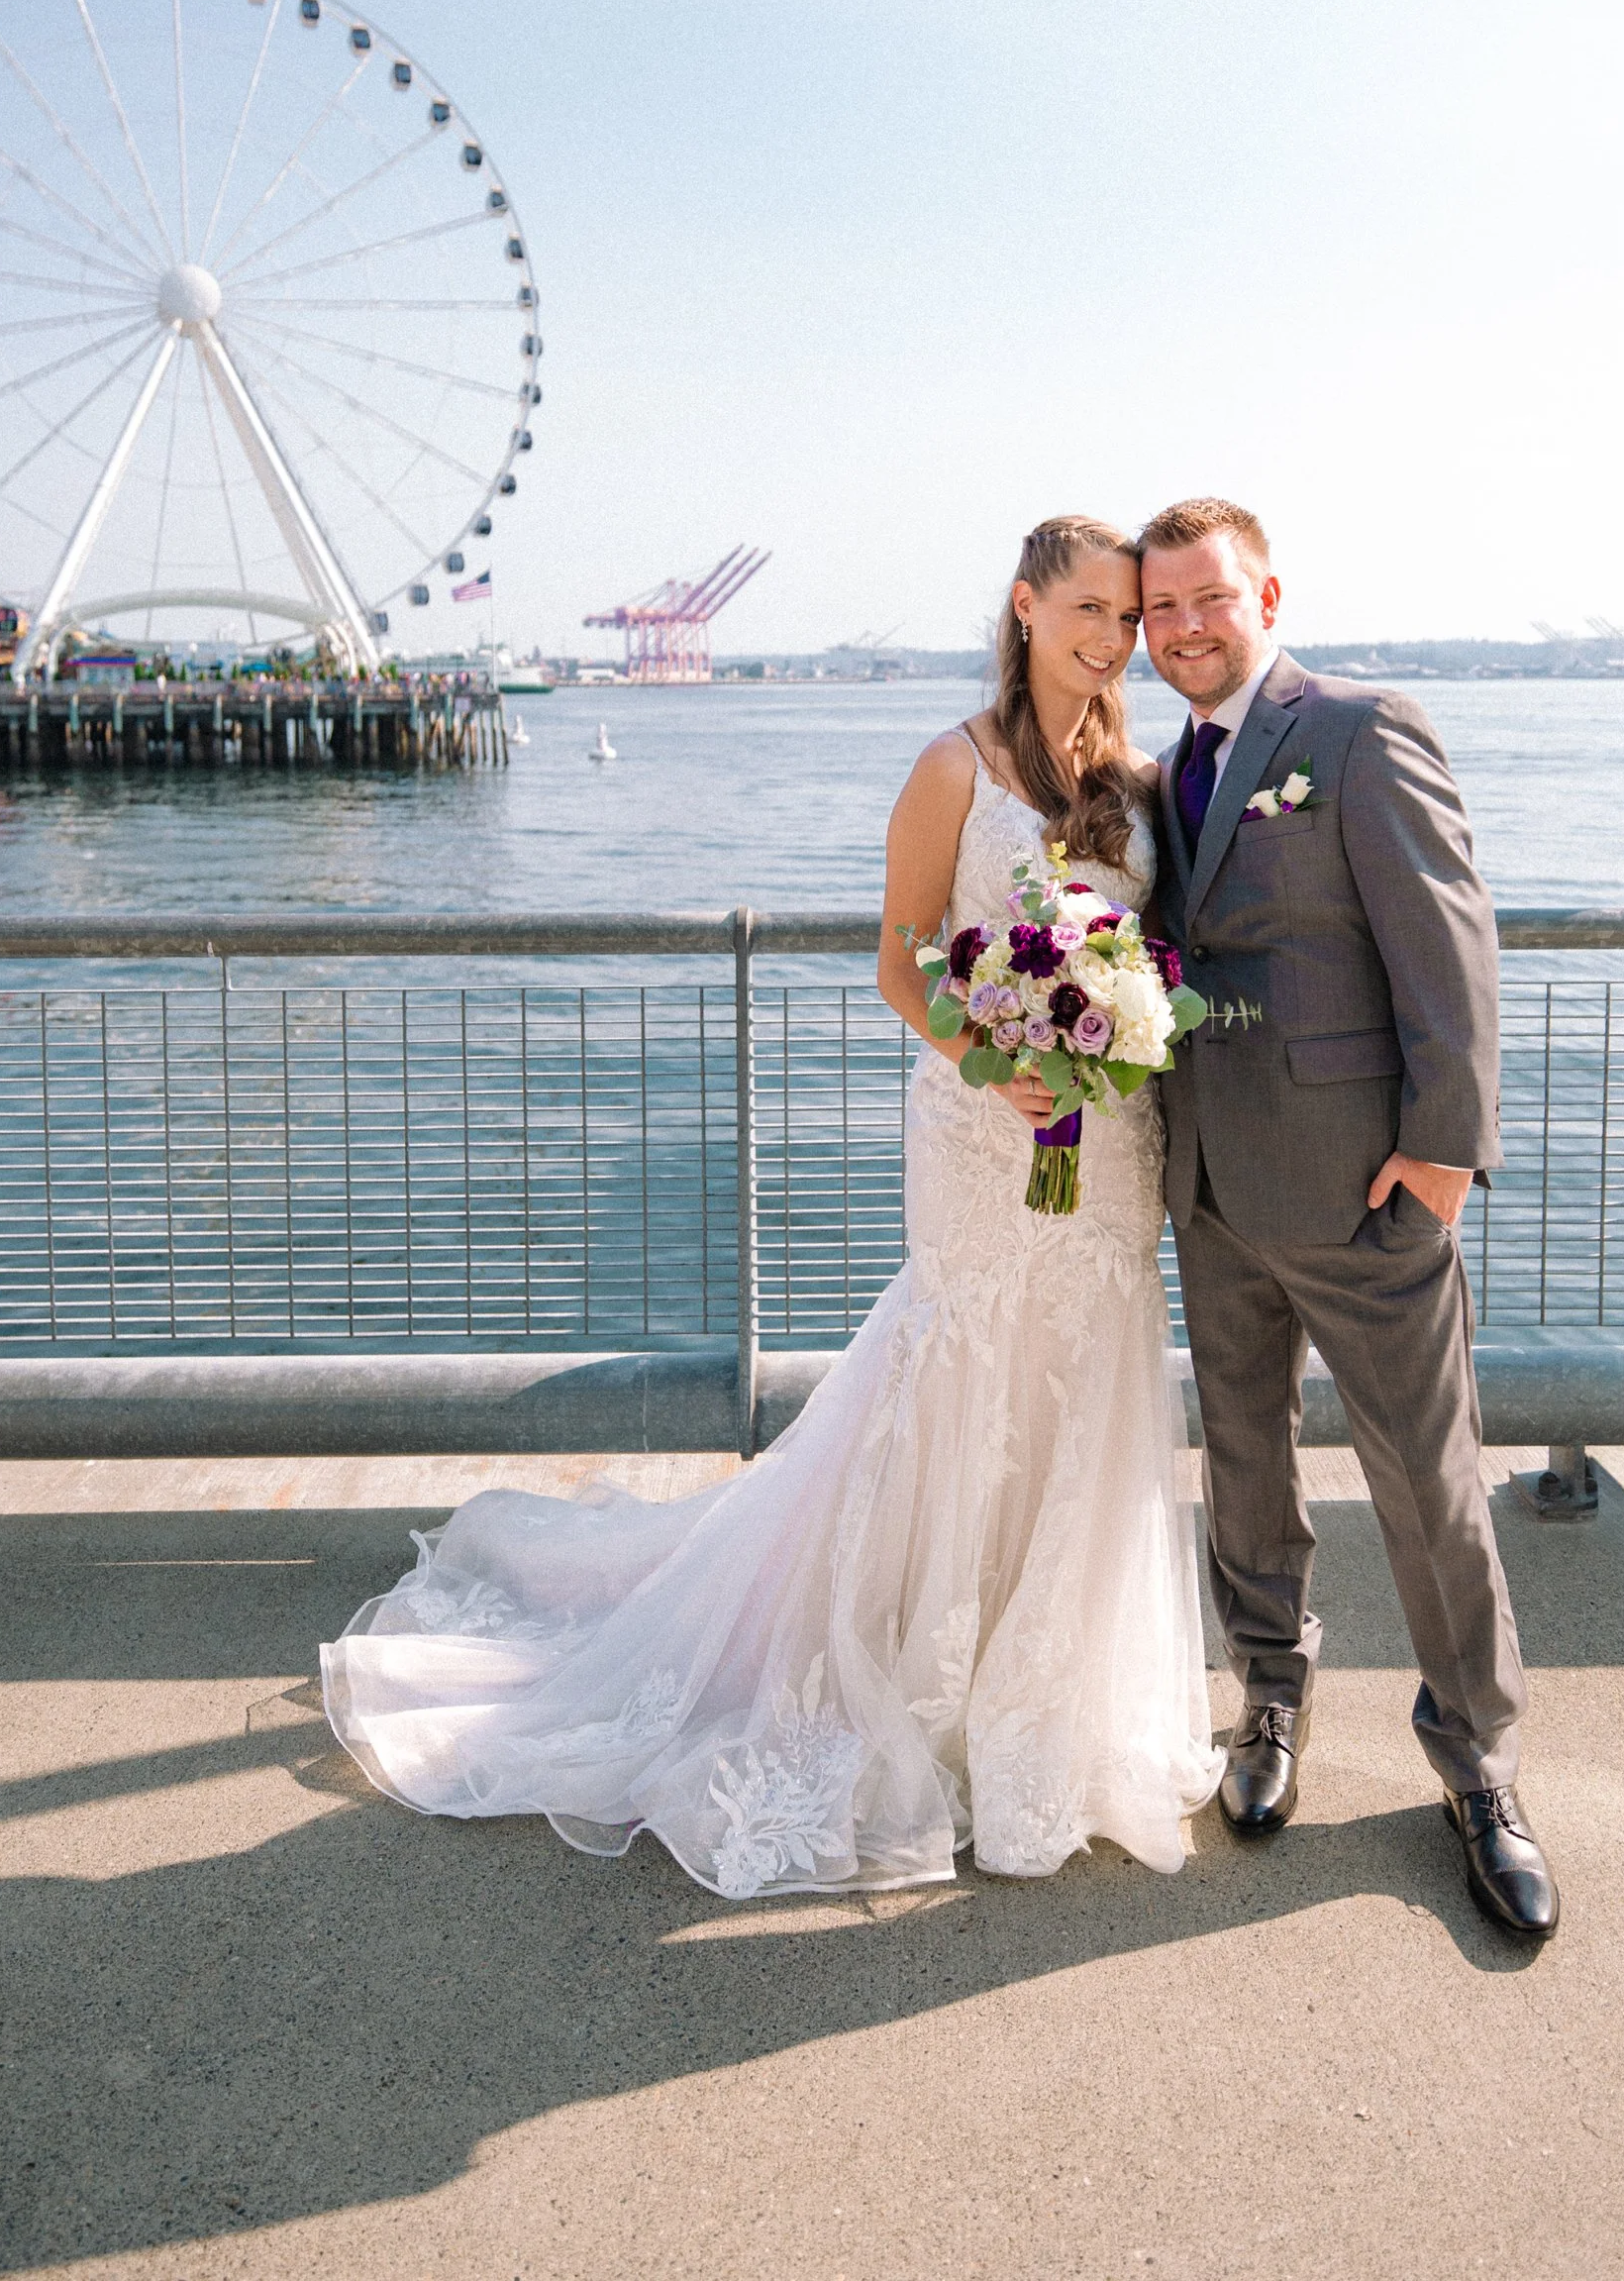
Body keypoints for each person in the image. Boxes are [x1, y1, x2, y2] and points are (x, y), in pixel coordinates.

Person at [320, 515, 1221, 1898]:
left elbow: (1148, 954)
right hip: (986, 1139)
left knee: (1086, 1383)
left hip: (1109, 1146)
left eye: (1128, 618)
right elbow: (902, 963)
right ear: (1028, 609)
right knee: (969, 1370)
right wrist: (998, 1069)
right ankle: (914, 1690)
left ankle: (1047, 1707)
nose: (1113, 640)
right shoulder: (952, 769)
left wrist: (1113, 1032)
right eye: (1089, 611)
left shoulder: (1145, 782)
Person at [1138, 495, 1559, 1941]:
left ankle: (1480, 1769)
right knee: (1246, 1465)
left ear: (1266, 594)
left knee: (1428, 1487)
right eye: (1159, 610)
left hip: (1367, 1189)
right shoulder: (1165, 769)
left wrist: (1444, 1156)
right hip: (1210, 1187)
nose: (1183, 628)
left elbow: (1452, 937)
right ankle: (1269, 1701)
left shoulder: (1361, 729)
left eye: (1208, 599)